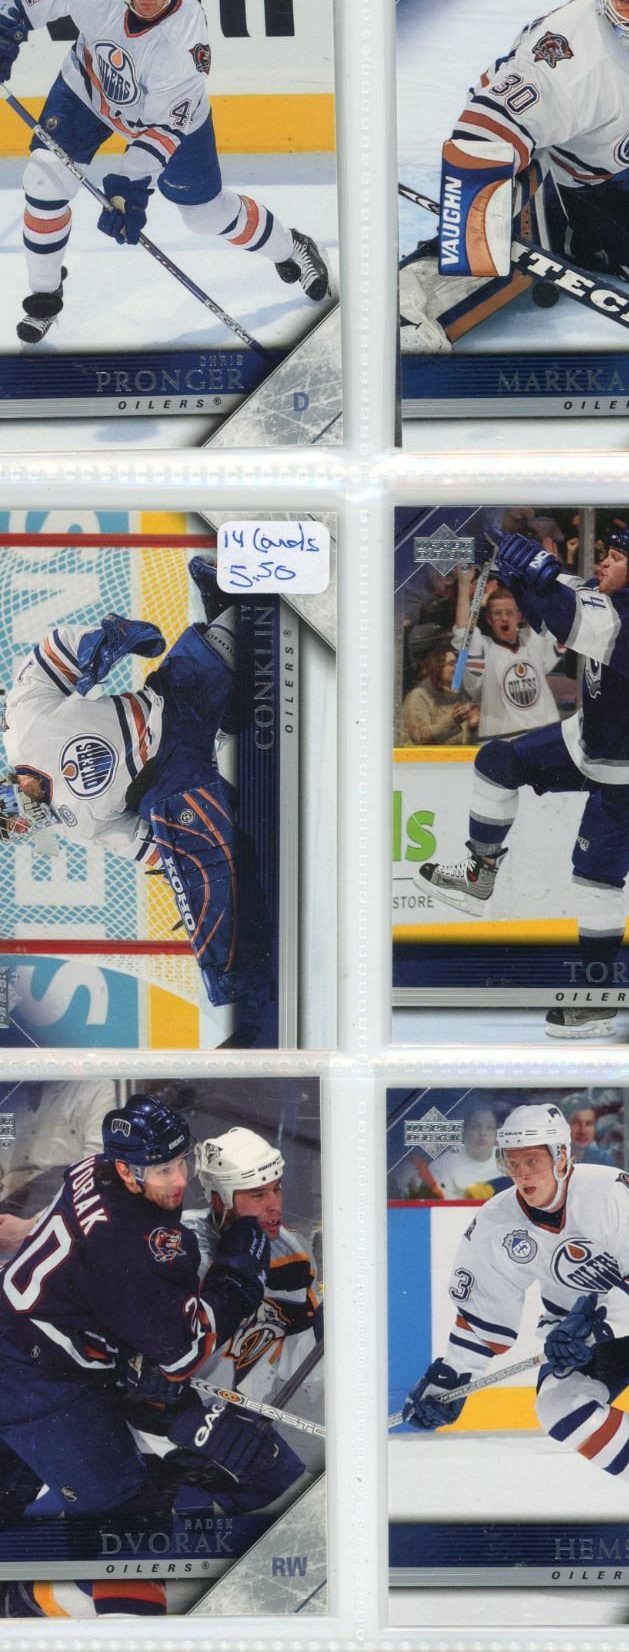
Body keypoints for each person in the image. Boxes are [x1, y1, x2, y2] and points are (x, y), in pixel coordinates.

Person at [400, 1104, 629, 1524]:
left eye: (533, 1160)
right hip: (579, 1327)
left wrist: (588, 1330)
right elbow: (483, 1316)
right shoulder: (496, 1221)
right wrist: (450, 1378)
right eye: (513, 1162)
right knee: (560, 1406)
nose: (522, 1173)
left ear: (561, 1156)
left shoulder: (612, 1190)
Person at [416, 526, 629, 1041]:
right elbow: (561, 593)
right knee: (498, 761)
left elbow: (565, 614)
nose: (601, 563)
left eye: (613, 557)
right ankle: (480, 872)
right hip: (589, 740)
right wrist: (512, 565)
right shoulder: (613, 593)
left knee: (596, 883)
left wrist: (536, 572)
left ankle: (597, 1001)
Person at [0, 0, 328, 345]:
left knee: (205, 215)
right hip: (87, 90)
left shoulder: (186, 38)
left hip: (165, 124)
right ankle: (44, 300)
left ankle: (290, 246)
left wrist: (128, 191)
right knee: (44, 178)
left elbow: (162, 128)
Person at [0, 555, 273, 1044]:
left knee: (241, 632)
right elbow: (145, 843)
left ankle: (226, 613)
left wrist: (104, 643)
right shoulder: (76, 825)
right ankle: (246, 1000)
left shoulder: (22, 724)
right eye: (13, 830)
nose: (21, 825)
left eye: (10, 816)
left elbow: (51, 654)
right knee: (195, 854)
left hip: (171, 701)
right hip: (175, 781)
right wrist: (182, 870)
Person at [399, 0, 629, 352]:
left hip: (589, 152)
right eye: (623, 0)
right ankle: (404, 299)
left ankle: (569, 234)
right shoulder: (570, 60)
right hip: (533, 147)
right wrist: (477, 220)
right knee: (488, 257)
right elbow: (482, 134)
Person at [0, 1093, 299, 1528]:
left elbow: (71, 1216)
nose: (178, 1180)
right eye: (162, 1171)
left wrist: (29, 1230)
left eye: (181, 1162)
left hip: (21, 1336)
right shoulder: (133, 1246)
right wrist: (240, 1273)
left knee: (8, 1495)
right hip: (37, 1380)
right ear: (125, 1170)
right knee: (129, 1518)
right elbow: (184, 1354)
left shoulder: (93, 1168)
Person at [188, 1127, 322, 1405]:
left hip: (236, 1408)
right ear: (219, 1201)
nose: (275, 1205)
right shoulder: (183, 1251)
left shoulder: (293, 1253)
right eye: (258, 1195)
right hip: (176, 1412)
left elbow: (299, 1361)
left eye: (277, 1189)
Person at [0, 1079, 116, 1257]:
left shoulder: (95, 1087)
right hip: (11, 1207)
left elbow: (98, 1174)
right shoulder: (9, 1088)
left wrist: (35, 1227)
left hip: (65, 1219)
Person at [451, 569, 563, 740]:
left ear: (519, 616)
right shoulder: (483, 649)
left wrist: (540, 574)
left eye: (510, 612)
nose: (504, 618)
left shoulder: (532, 642)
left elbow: (547, 611)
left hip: (544, 735)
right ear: (489, 619)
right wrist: (464, 584)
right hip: (502, 740)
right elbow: (463, 631)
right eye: (497, 613)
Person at [400, 623, 479, 746]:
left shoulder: (460, 697)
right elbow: (419, 737)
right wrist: (452, 721)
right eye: (451, 663)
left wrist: (472, 726)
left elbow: (462, 743)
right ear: (436, 666)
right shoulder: (419, 696)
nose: (457, 668)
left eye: (457, 663)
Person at [421, 1103, 503, 1200]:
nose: (483, 1133)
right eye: (475, 1127)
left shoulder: (508, 1159)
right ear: (464, 1131)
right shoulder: (442, 1167)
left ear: (497, 1132)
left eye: (489, 1127)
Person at [561, 1094, 612, 1166]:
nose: (583, 1131)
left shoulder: (602, 1159)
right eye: (575, 1123)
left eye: (589, 1123)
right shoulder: (551, 1158)